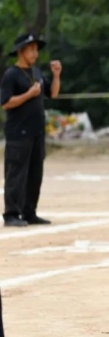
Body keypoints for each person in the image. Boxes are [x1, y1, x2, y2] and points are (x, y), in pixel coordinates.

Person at [1, 33, 62, 227]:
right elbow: (5, 103)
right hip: (19, 132)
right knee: (16, 173)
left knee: (35, 173)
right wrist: (29, 94)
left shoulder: (36, 72)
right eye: (31, 49)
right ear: (21, 51)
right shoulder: (11, 74)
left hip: (37, 131)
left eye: (36, 49)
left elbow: (53, 93)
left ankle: (29, 211)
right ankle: (11, 213)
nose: (35, 53)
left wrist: (56, 75)